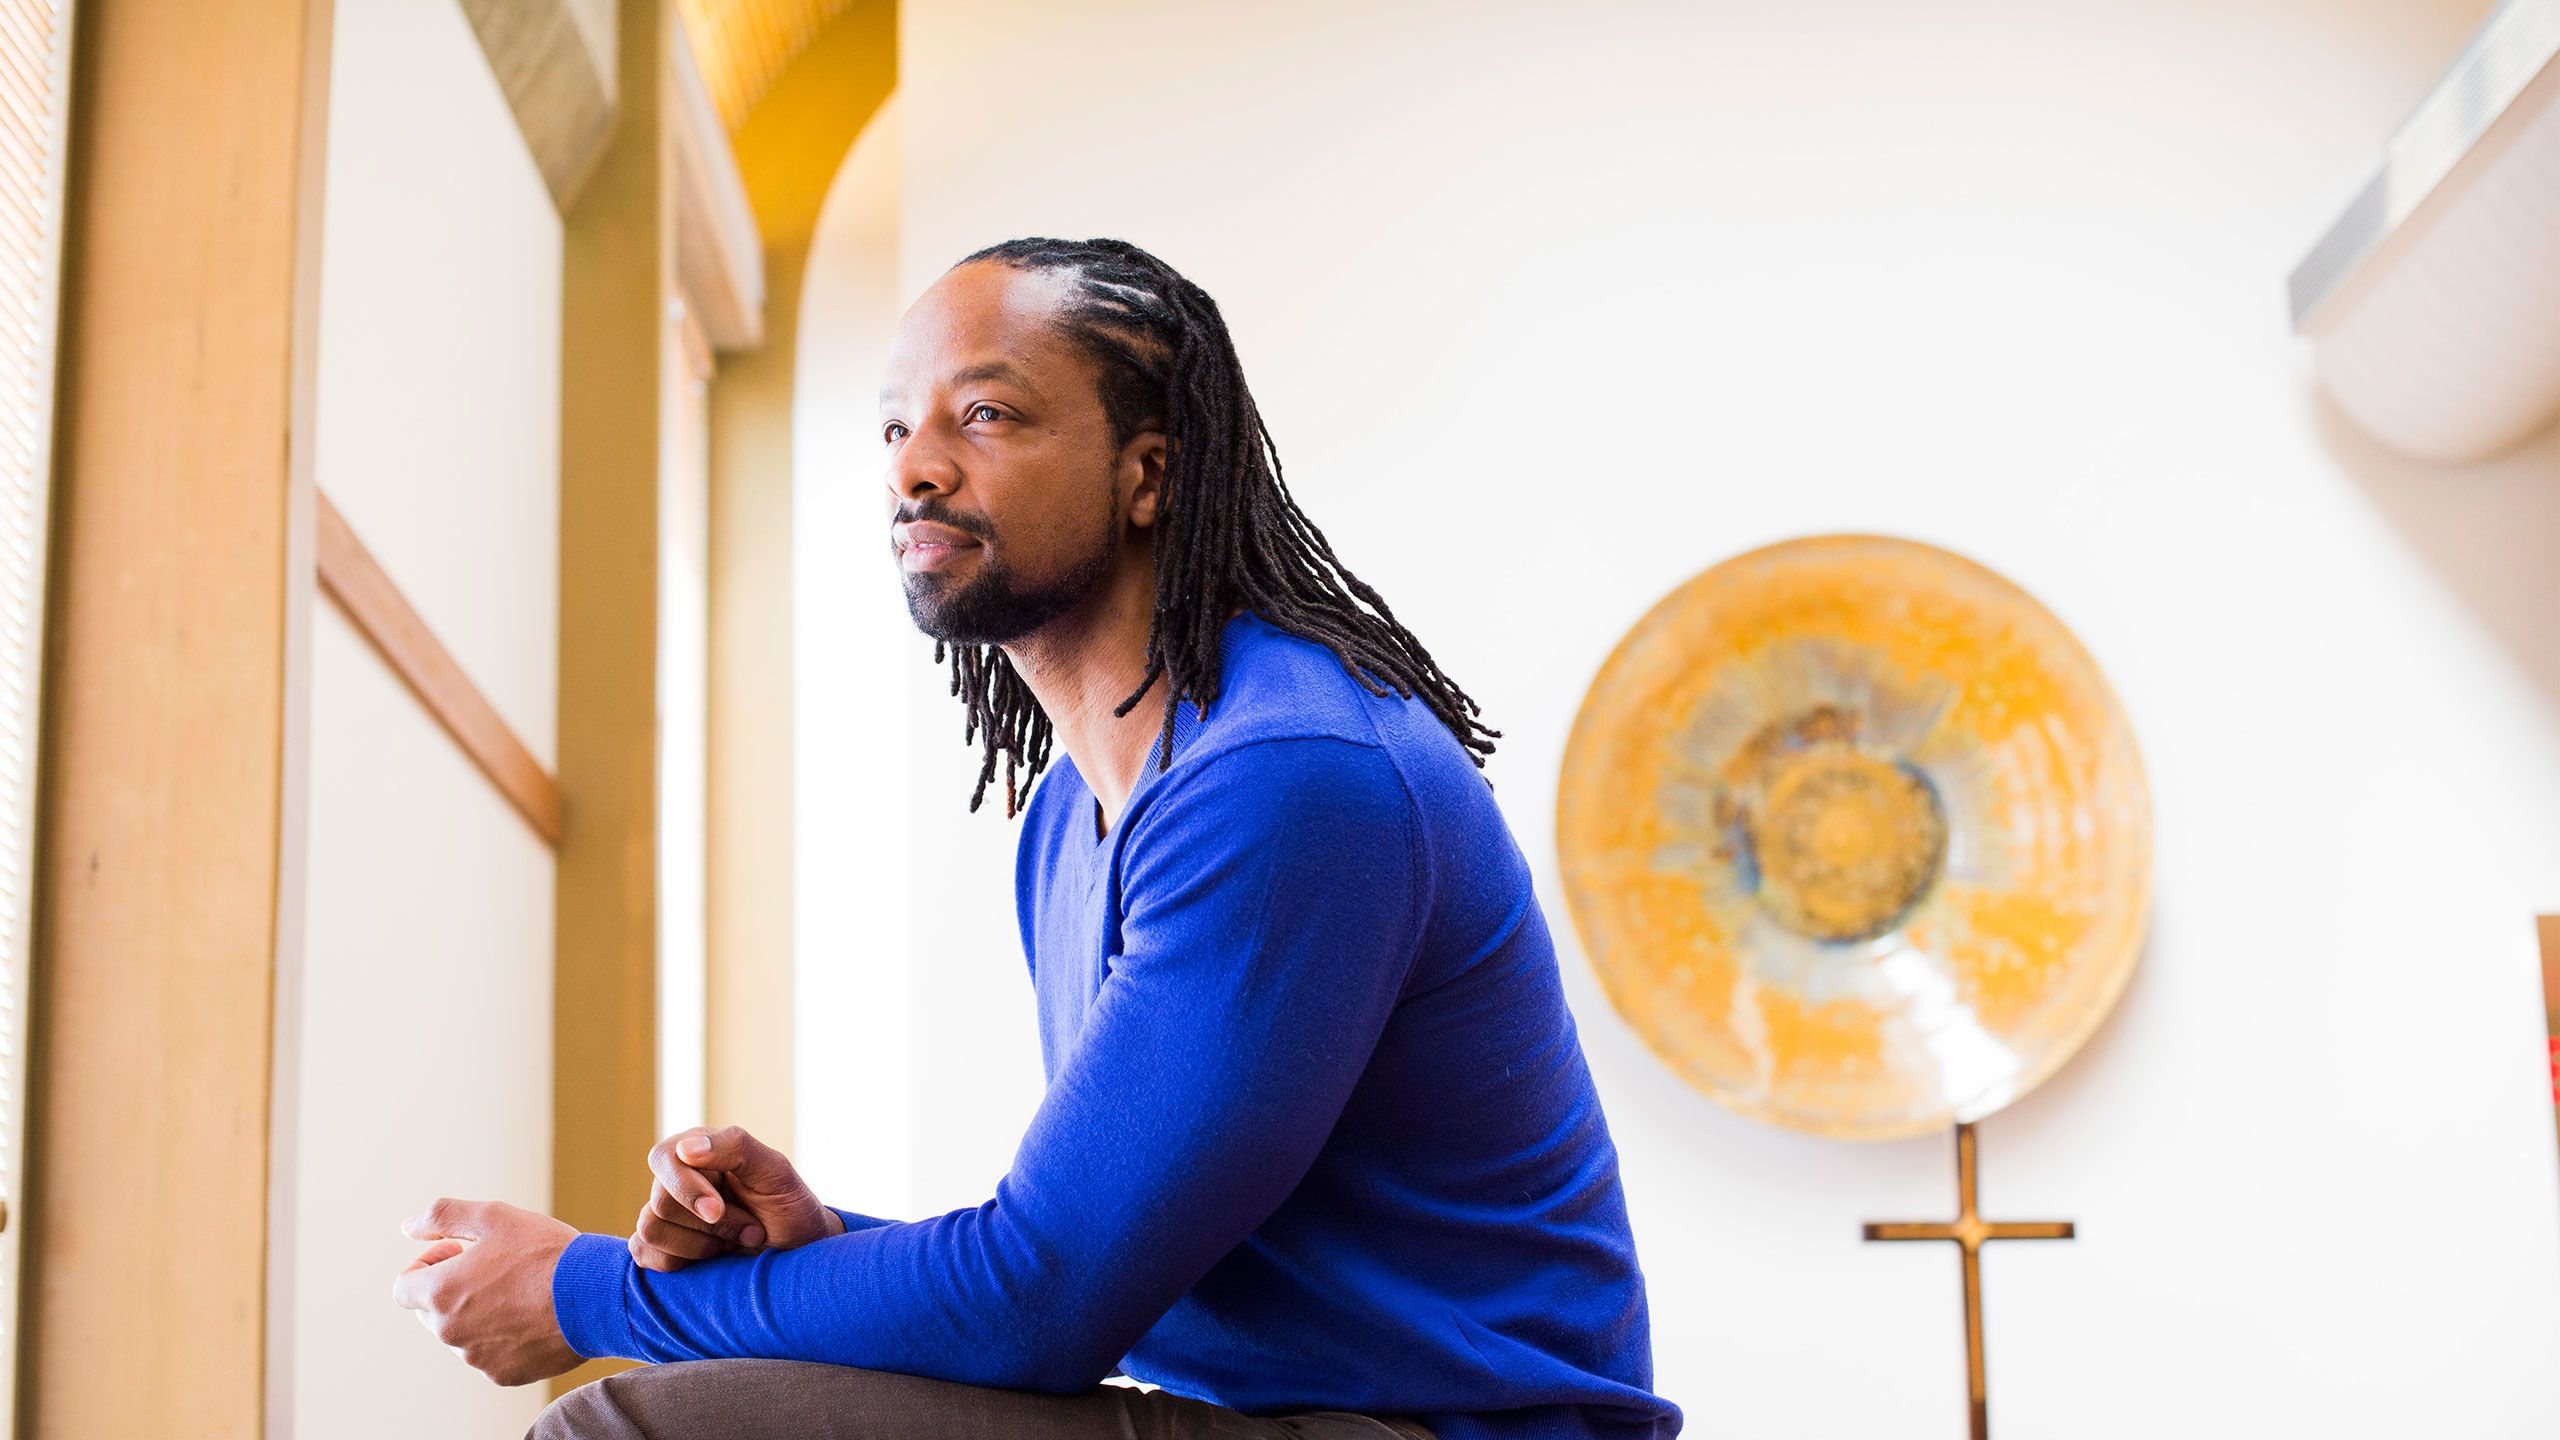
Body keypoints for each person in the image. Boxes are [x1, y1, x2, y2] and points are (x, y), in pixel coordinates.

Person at [393, 237, 1684, 1440]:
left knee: (633, 1429)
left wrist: (587, 1294)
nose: (914, 466)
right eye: (897, 425)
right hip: (1289, 1415)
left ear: (1148, 472)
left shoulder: (1288, 779)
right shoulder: (1075, 809)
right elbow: (1107, 1262)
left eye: (985, 415)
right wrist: (813, 1247)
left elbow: (1041, 1299)